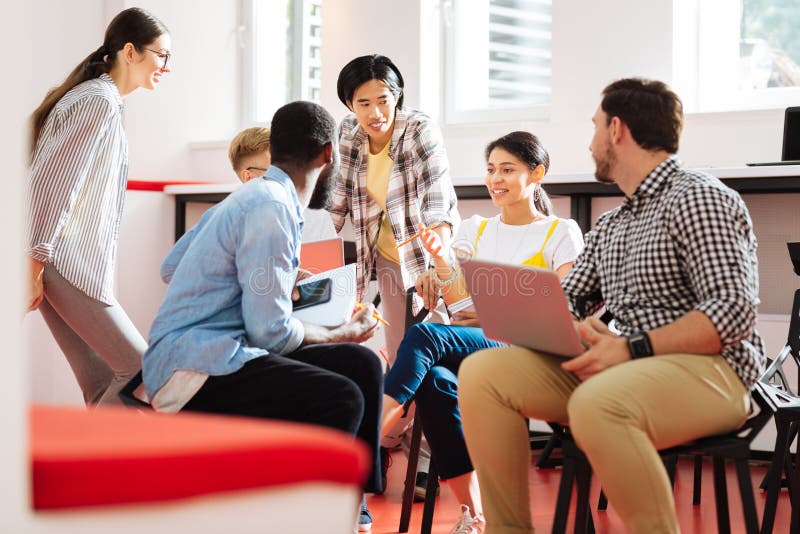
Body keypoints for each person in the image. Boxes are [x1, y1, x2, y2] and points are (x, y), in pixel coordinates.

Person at [459, 78, 766, 534]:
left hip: (715, 370)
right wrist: (537, 319)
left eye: (594, 128)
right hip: (629, 368)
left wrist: (632, 347)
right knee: (484, 374)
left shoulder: (700, 197)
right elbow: (566, 301)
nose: (590, 142)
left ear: (617, 129)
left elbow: (733, 312)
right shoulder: (613, 224)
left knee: (598, 404)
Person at [141, 101, 383, 532]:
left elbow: (175, 266)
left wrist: (275, 279)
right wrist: (339, 330)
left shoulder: (255, 198)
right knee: (341, 396)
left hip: (218, 351)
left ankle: (351, 511)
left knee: (361, 365)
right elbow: (269, 332)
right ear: (330, 154)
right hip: (195, 366)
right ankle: (310, 520)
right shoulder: (269, 207)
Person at [382, 132, 584, 533]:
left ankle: (370, 434)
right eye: (491, 170)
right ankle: (472, 516)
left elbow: (564, 312)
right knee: (435, 381)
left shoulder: (561, 232)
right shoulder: (473, 229)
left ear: (537, 174)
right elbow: (459, 308)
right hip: (473, 347)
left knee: (426, 336)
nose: (496, 179)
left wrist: (490, 318)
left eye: (508, 170)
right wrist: (441, 262)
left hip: (527, 354)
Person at [329, 53, 460, 495]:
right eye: (362, 102)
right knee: (399, 353)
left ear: (397, 95)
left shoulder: (419, 129)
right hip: (383, 256)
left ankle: (428, 464)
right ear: (349, 104)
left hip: (424, 254)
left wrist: (433, 266)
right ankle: (386, 443)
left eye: (383, 100)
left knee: (422, 360)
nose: (375, 113)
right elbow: (336, 198)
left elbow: (438, 195)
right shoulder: (349, 132)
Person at [26, 7, 171, 405]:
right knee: (142, 370)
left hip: (61, 260)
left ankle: (107, 466)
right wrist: (35, 259)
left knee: (101, 384)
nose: (167, 67)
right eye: (162, 55)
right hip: (62, 261)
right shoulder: (98, 101)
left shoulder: (101, 100)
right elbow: (54, 184)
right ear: (129, 51)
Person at [160, 126, 271, 284]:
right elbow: (169, 268)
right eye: (275, 170)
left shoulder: (273, 215)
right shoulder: (221, 215)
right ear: (250, 177)